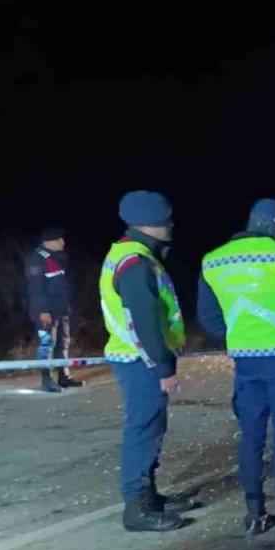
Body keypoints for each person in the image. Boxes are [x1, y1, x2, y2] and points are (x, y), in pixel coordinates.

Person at [198, 198, 275, 535]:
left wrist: (242, 335)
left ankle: (254, 513)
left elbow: (209, 319)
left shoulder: (213, 260)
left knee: (250, 435)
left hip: (245, 361)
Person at [99, 191, 193, 531]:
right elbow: (143, 319)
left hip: (137, 358)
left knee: (151, 425)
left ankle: (149, 495)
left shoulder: (131, 253)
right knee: (143, 427)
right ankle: (137, 507)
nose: (171, 225)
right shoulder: (136, 263)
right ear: (150, 223)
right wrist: (163, 367)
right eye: (165, 220)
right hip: (139, 360)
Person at [25, 226, 84, 392]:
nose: (62, 242)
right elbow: (35, 288)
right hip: (45, 312)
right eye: (59, 239)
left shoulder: (57, 257)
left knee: (63, 343)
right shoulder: (37, 259)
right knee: (46, 345)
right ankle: (46, 380)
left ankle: (64, 377)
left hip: (61, 309)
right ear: (48, 242)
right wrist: (42, 311)